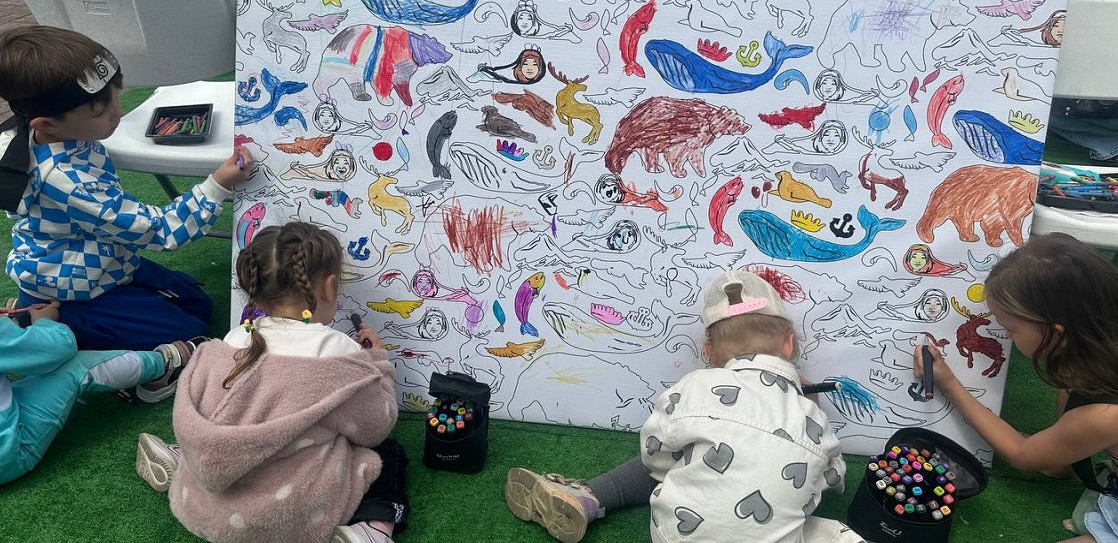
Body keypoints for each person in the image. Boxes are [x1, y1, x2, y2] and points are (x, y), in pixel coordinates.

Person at [505, 270, 862, 543]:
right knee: (828, 531)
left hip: (677, 533)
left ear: (708, 352)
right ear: (788, 345)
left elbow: (653, 453)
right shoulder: (813, 417)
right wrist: (805, 421)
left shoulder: (696, 385)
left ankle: (588, 497)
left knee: (683, 457)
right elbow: (832, 479)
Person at [134, 222, 408, 543]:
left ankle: (182, 458)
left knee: (230, 415)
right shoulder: (339, 353)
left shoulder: (233, 339)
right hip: (286, 519)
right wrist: (378, 362)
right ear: (330, 287)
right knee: (387, 452)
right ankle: (374, 530)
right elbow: (375, 427)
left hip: (201, 506)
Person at [0, 25, 253, 352]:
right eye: (100, 111)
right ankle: (49, 321)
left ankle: (52, 309)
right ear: (46, 124)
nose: (118, 112)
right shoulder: (69, 182)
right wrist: (217, 186)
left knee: (197, 303)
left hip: (101, 257)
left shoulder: (50, 134)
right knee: (190, 328)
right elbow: (159, 231)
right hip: (72, 286)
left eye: (117, 94)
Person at [912, 233, 1118, 543]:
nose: (1006, 337)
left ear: (1055, 333)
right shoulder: (1094, 353)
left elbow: (1022, 455)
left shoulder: (1103, 415)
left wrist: (950, 383)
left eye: (1011, 329)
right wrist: (1058, 457)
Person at [0, 300, 201, 485]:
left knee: (34, 366)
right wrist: (44, 321)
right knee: (75, 367)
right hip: (11, 453)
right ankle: (166, 364)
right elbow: (59, 347)